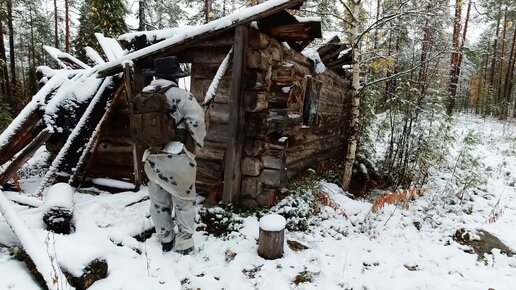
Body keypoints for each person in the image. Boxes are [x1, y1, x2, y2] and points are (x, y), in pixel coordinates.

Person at [142, 56, 206, 254]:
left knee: (158, 202)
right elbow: (197, 122)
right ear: (174, 76)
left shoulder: (144, 95)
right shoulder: (181, 95)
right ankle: (185, 244)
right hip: (177, 157)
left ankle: (165, 239)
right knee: (184, 202)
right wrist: (197, 143)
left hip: (151, 157)